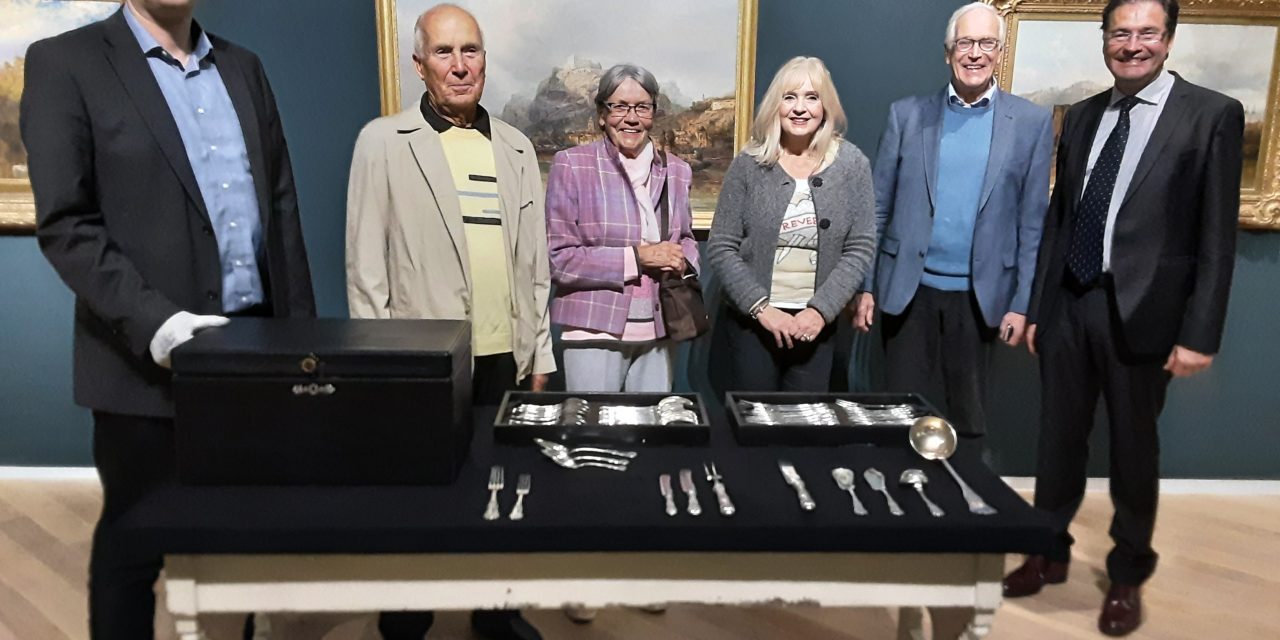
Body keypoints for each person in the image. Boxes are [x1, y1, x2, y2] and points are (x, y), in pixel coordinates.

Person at [19, 0, 315, 637]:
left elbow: (281, 210)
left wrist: (298, 344)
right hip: (141, 364)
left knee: (242, 541)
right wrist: (160, 325)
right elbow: (67, 225)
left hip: (251, 360)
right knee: (133, 548)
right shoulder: (64, 63)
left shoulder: (245, 68)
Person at [1002, 1, 1244, 636]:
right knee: (1056, 439)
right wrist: (1036, 306)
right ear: (1104, 39)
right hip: (1070, 307)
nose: (1132, 44)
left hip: (1145, 315)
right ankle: (1047, 551)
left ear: (1168, 41)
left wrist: (1200, 334)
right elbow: (1060, 222)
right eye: (1120, 32)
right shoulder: (1082, 116)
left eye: (1146, 33)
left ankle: (1129, 573)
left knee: (1135, 451)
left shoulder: (1211, 115)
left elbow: (1218, 239)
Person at [345, 4, 551, 639]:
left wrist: (538, 352)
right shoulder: (383, 141)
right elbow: (364, 266)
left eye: (472, 51)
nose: (460, 66)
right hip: (423, 358)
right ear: (419, 65)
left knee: (501, 487)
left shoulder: (515, 146)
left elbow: (534, 263)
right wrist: (380, 363)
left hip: (503, 355)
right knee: (420, 494)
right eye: (444, 52)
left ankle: (497, 612)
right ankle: (407, 614)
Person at [852, 2, 1053, 438]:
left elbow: (1032, 223)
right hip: (908, 292)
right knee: (899, 415)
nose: (975, 53)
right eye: (965, 43)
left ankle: (961, 501)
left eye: (986, 43)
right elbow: (877, 208)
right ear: (948, 52)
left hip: (980, 300)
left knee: (968, 421)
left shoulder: (1032, 122)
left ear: (1000, 51)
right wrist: (866, 286)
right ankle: (902, 502)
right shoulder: (906, 115)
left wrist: (1021, 303)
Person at [706, 56, 875, 391]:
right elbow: (721, 245)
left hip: (816, 327)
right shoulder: (749, 165)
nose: (800, 108)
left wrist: (820, 312)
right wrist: (763, 310)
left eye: (812, 97)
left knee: (803, 429)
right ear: (776, 106)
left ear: (826, 107)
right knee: (752, 425)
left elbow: (860, 247)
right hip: (753, 325)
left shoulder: (852, 165)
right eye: (790, 97)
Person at [545, 64, 699, 394]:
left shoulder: (678, 170)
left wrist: (684, 260)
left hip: (660, 328)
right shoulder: (572, 165)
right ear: (602, 114)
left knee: (651, 436)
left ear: (653, 113)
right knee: (593, 433)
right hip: (593, 329)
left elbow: (686, 238)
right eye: (619, 106)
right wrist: (638, 259)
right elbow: (559, 258)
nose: (631, 118)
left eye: (642, 107)